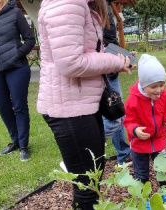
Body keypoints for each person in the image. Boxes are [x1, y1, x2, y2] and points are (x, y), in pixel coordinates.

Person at [37, 0, 132, 209]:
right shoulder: (68, 3)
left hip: (82, 103)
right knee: (87, 188)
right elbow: (71, 63)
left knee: (92, 179)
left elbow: (90, 47)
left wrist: (117, 56)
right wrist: (116, 62)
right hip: (69, 108)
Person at [123, 54, 166, 184]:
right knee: (141, 174)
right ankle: (145, 199)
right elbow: (128, 121)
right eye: (153, 87)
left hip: (158, 140)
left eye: (161, 85)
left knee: (163, 171)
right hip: (139, 144)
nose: (158, 90)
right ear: (143, 85)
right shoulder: (133, 100)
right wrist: (135, 130)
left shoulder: (164, 95)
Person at [0, 0, 35, 161]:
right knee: (3, 106)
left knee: (19, 106)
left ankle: (24, 145)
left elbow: (29, 39)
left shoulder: (14, 12)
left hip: (17, 68)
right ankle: (15, 141)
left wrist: (16, 55)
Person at [102, 1, 131, 166]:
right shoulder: (90, 7)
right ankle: (92, 148)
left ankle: (123, 155)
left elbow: (110, 40)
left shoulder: (105, 6)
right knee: (114, 115)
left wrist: (122, 56)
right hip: (100, 68)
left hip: (110, 67)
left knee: (117, 112)